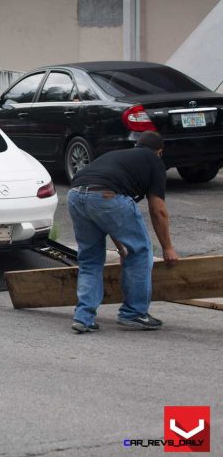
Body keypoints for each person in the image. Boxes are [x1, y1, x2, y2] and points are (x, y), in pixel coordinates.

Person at [67, 131, 179, 333]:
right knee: (142, 252)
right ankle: (134, 313)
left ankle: (83, 318)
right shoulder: (154, 162)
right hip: (107, 195)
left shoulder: (117, 156)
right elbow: (158, 210)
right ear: (159, 152)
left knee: (90, 259)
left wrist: (121, 249)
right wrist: (167, 247)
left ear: (137, 145)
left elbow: (108, 221)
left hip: (75, 195)